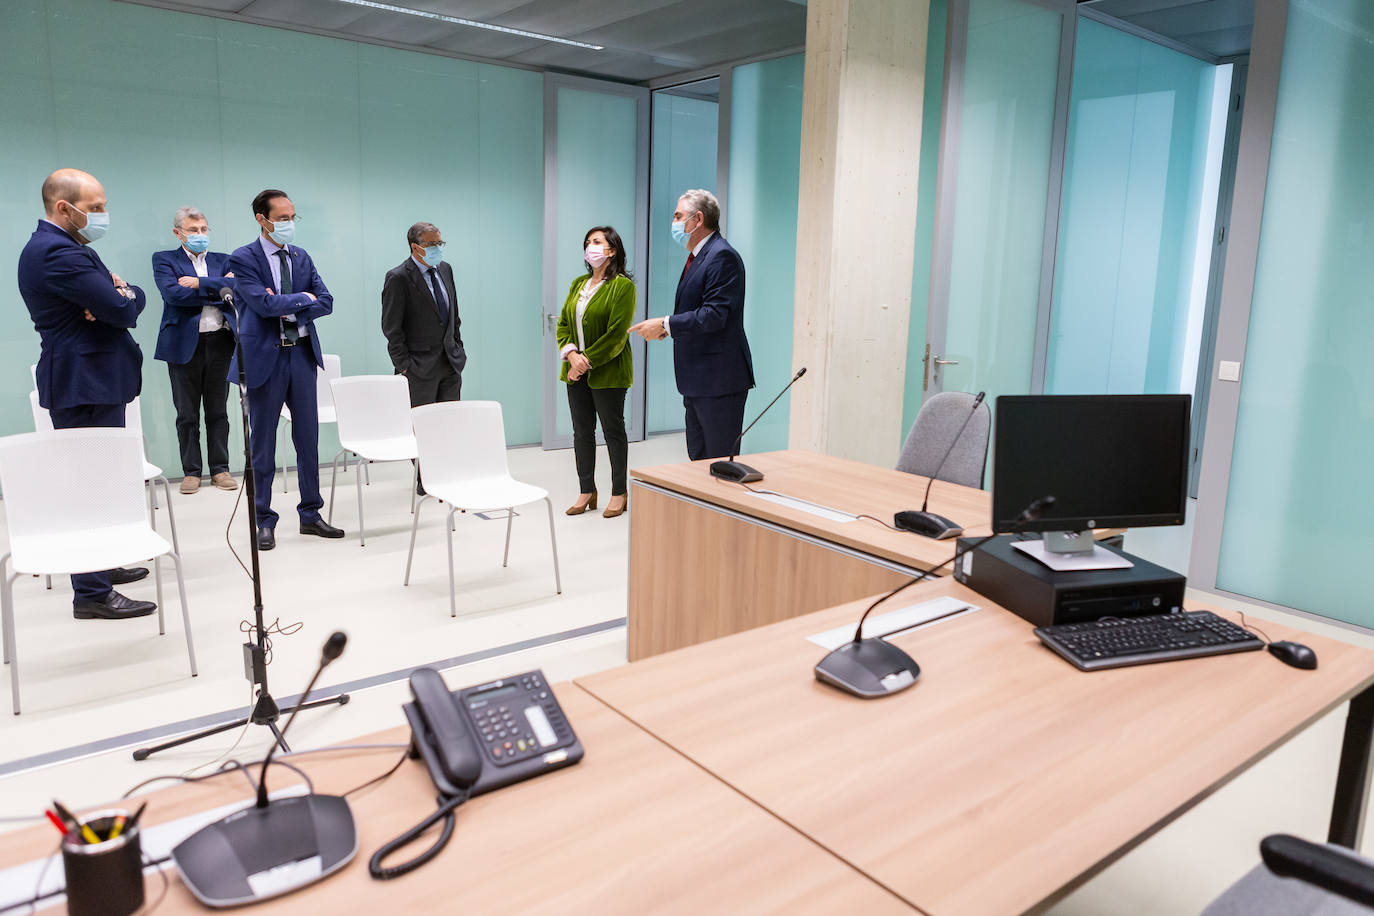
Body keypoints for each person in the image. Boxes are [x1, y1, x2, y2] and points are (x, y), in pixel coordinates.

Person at [17, 168, 154, 620]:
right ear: (64, 208)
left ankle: (102, 566)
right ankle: (91, 594)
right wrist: (121, 296)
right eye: (95, 208)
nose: (102, 215)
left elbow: (121, 300)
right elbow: (121, 308)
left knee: (102, 478)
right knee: (89, 483)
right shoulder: (57, 253)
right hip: (84, 380)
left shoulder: (69, 248)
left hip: (92, 376)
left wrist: (122, 295)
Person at [228, 189, 344, 550]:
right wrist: (301, 299)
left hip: (301, 356)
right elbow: (262, 305)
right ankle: (263, 519)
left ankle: (310, 514)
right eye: (282, 218)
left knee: (307, 441)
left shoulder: (301, 256)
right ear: (262, 220)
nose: (289, 223)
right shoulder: (243, 258)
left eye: (292, 217)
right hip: (265, 357)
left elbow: (326, 300)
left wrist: (292, 304)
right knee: (262, 445)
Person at [629, 189, 754, 460]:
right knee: (698, 460)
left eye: (678, 216)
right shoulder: (700, 256)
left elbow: (714, 314)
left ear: (698, 219)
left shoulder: (722, 256)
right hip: (698, 380)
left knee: (718, 463)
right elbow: (698, 311)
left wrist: (666, 324)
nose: (673, 222)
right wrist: (669, 328)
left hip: (719, 381)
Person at [152, 207, 239, 495]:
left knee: (218, 411)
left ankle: (220, 469)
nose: (200, 235)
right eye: (193, 230)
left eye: (203, 229)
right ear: (178, 233)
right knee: (186, 413)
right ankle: (191, 472)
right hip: (182, 345)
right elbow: (174, 295)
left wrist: (199, 283)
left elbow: (235, 290)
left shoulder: (223, 259)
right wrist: (217, 288)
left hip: (220, 341)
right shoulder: (165, 260)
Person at [380, 221, 466, 495]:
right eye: (431, 245)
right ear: (415, 247)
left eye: (440, 243)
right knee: (422, 426)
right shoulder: (398, 277)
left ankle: (445, 471)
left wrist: (458, 347)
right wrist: (404, 366)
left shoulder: (445, 269)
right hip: (418, 367)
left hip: (449, 361)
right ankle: (425, 478)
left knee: (447, 422)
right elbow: (392, 328)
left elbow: (454, 314)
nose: (437, 249)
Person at [557, 227, 636, 518]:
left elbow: (617, 335)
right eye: (588, 242)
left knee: (613, 431)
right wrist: (572, 355)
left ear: (612, 250)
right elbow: (564, 323)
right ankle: (586, 490)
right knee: (581, 432)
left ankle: (619, 492)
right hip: (575, 371)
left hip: (609, 372)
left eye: (597, 242)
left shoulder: (622, 286)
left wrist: (585, 360)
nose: (591, 247)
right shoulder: (579, 283)